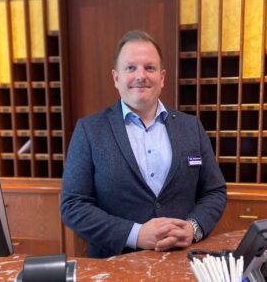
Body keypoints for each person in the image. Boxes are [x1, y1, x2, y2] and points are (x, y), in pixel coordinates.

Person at [60, 30, 226, 258]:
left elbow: (214, 191)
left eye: (149, 67)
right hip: (115, 265)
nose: (141, 76)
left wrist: (193, 228)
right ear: (116, 78)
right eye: (130, 68)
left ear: (162, 77)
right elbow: (73, 205)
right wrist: (135, 234)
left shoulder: (191, 127)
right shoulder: (90, 131)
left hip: (182, 261)